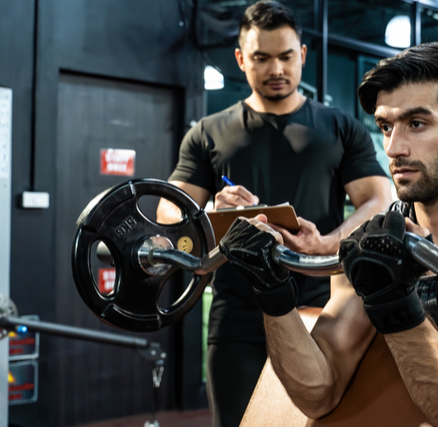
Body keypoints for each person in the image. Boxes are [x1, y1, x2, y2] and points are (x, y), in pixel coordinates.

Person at [219, 42, 438, 426]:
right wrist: (274, 295)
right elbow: (318, 391)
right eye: (385, 126)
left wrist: (394, 304)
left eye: (417, 123)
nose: (393, 148)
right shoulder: (376, 238)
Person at [156, 2, 392, 426]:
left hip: (321, 311)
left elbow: (379, 199)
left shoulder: (340, 128)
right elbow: (169, 214)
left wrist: (325, 243)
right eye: (262, 58)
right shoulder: (208, 134)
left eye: (285, 56)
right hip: (238, 317)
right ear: (241, 59)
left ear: (302, 55)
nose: (276, 68)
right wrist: (209, 210)